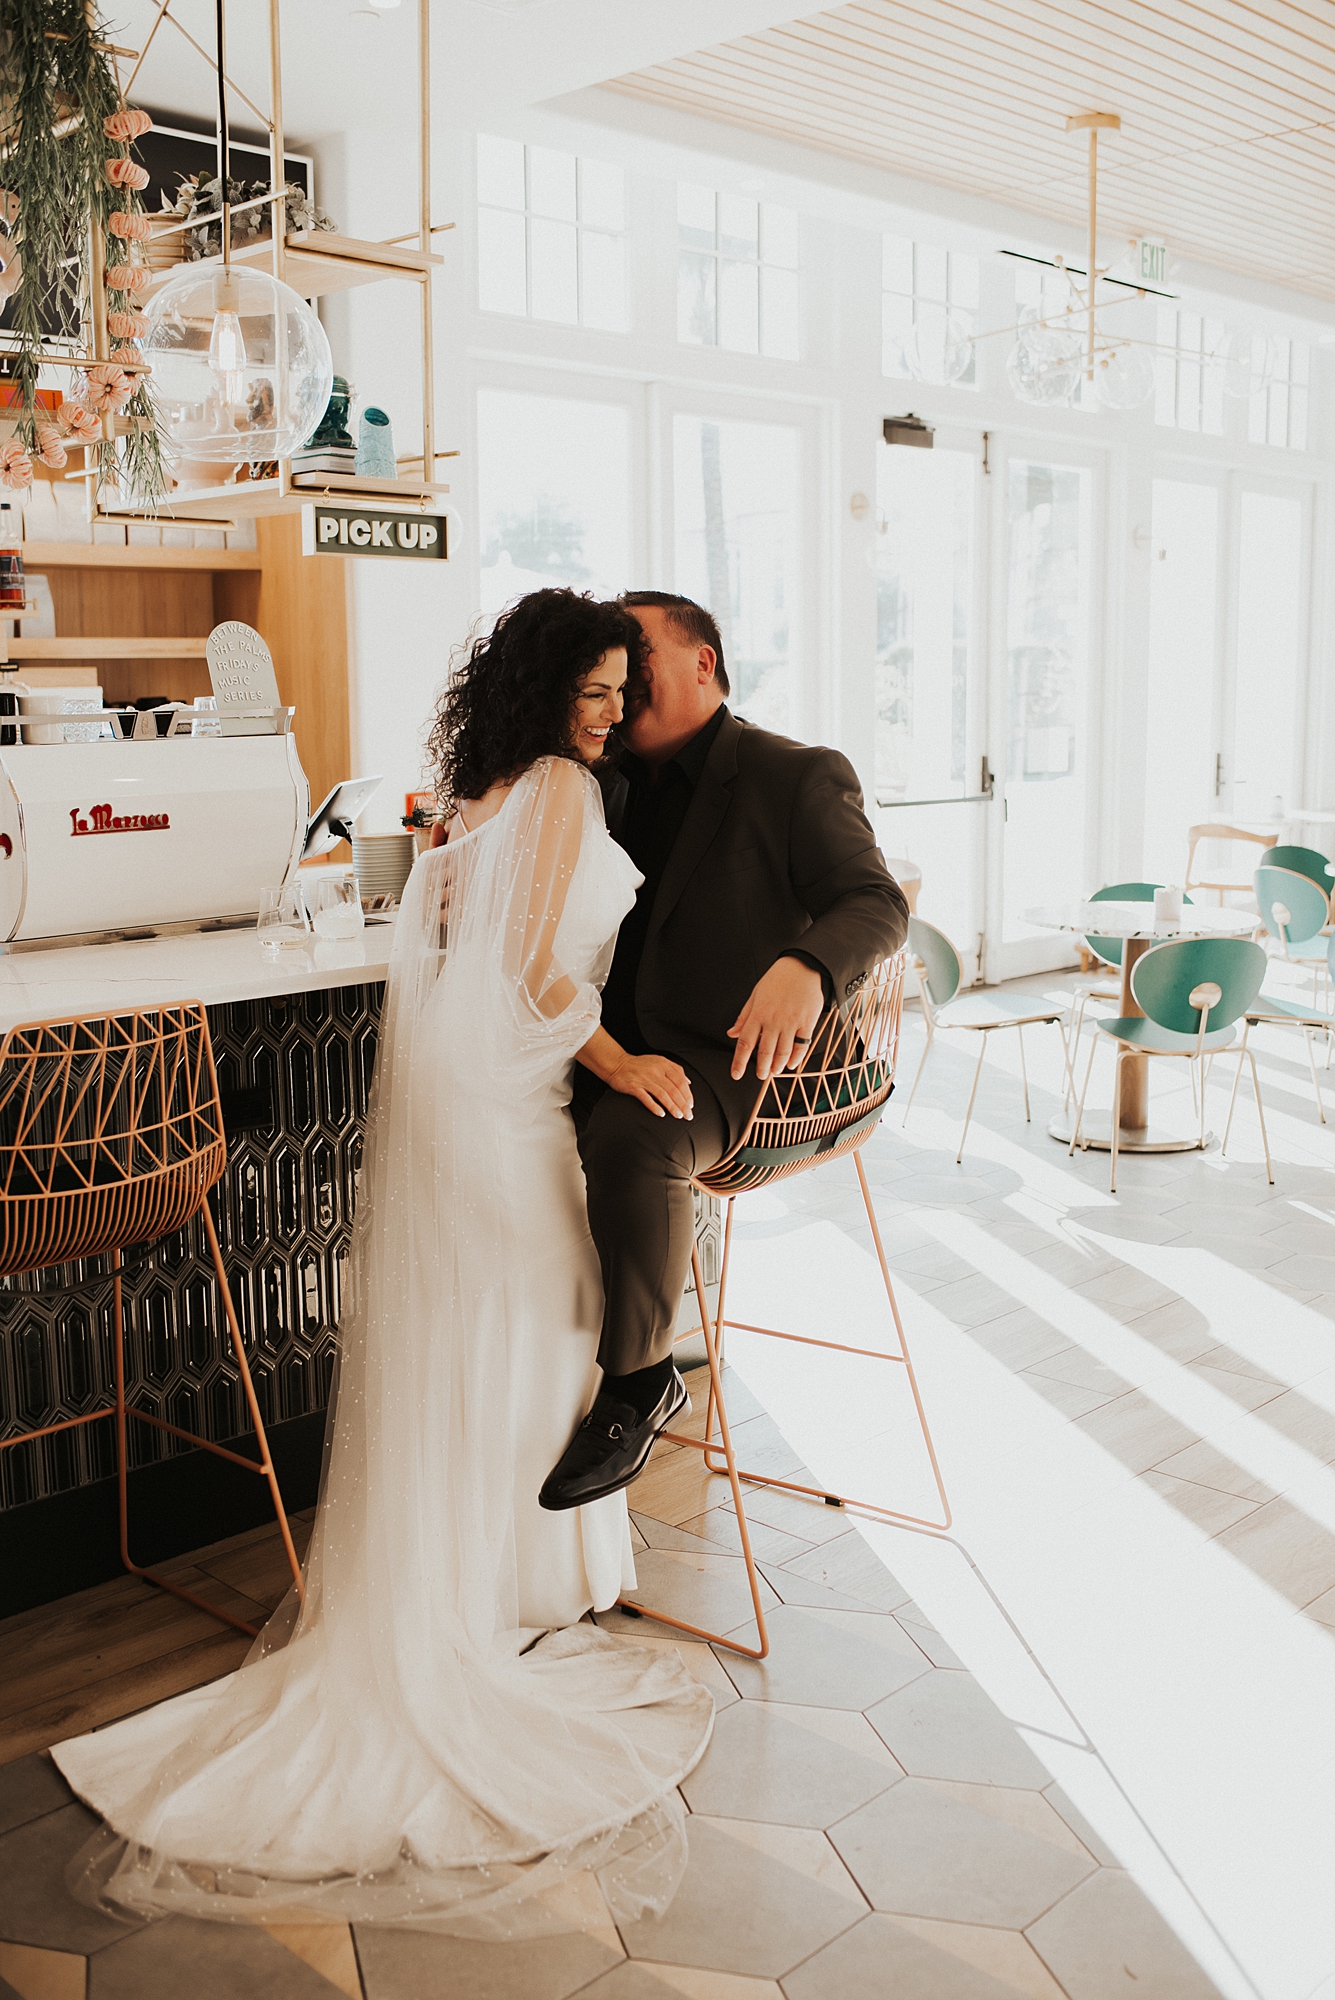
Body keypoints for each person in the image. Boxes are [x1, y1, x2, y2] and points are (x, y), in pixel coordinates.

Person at [50, 590, 714, 1937]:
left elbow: (473, 936)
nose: (607, 714)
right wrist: (623, 1060)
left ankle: (472, 1583)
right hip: (509, 1085)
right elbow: (531, 974)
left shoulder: (492, 783)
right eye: (590, 692)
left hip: (474, 1088)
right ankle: (498, 1594)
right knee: (540, 1309)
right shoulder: (557, 791)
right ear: (547, 692)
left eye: (613, 691)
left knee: (488, 1317)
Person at [541, 592, 909, 1511]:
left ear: (702, 662)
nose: (620, 688)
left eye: (638, 654)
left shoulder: (795, 774)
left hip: (737, 1060)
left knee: (638, 1134)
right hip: (605, 1043)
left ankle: (637, 1382)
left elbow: (876, 902)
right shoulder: (594, 772)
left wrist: (807, 965)